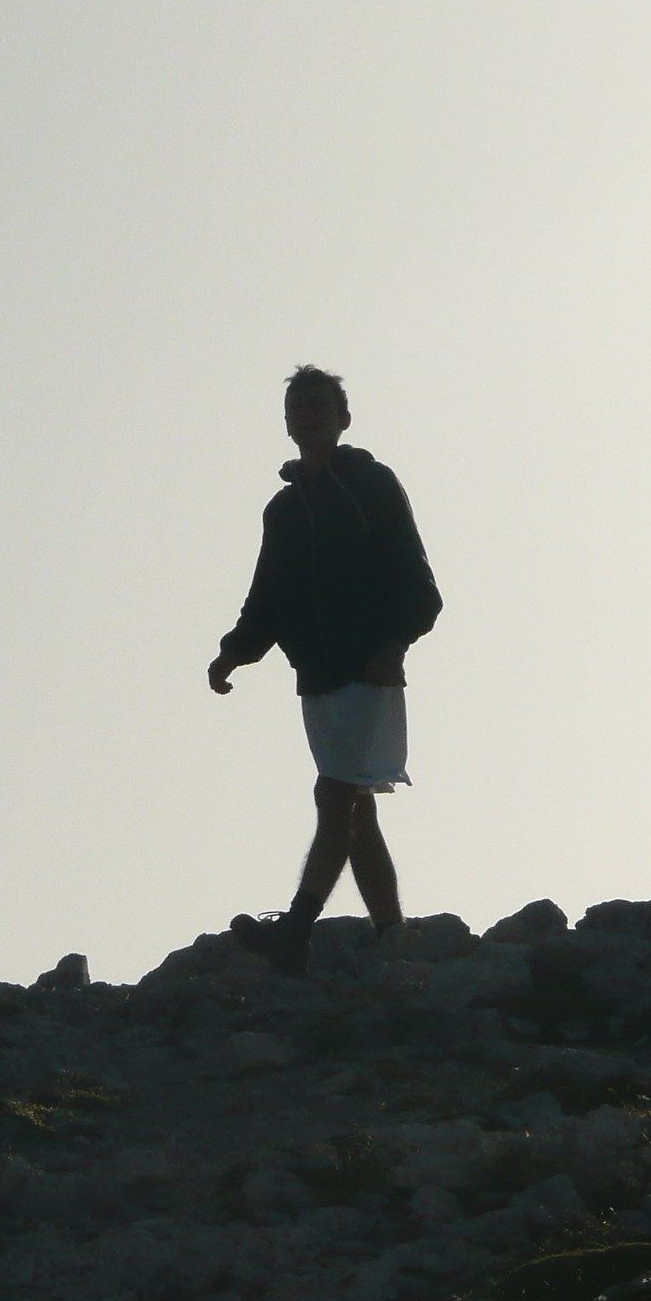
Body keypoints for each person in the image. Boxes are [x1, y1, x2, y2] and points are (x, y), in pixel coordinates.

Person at [208, 365, 442, 976]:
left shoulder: (371, 484)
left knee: (333, 794)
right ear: (287, 423)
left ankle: (295, 928)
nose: (307, 416)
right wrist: (234, 651)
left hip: (369, 665)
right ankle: (391, 932)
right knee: (356, 806)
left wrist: (396, 643)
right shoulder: (283, 510)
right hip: (316, 675)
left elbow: (415, 576)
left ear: (343, 418)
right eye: (298, 408)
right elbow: (267, 597)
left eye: (319, 406)